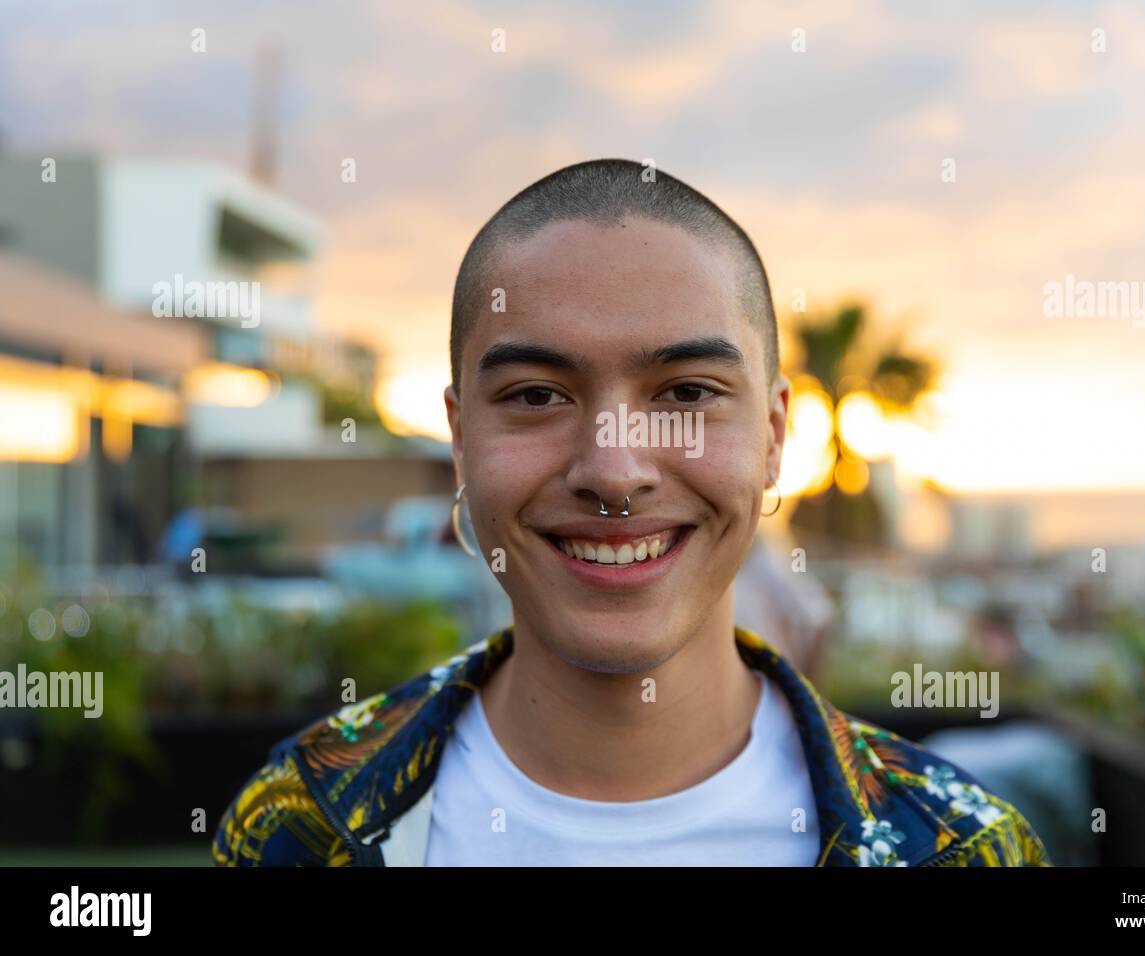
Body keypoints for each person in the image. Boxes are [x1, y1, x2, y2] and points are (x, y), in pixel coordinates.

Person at [213, 159, 1051, 867]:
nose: (613, 470)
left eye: (687, 393)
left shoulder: (957, 846)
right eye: (537, 395)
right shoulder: (301, 823)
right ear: (461, 441)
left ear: (771, 438)